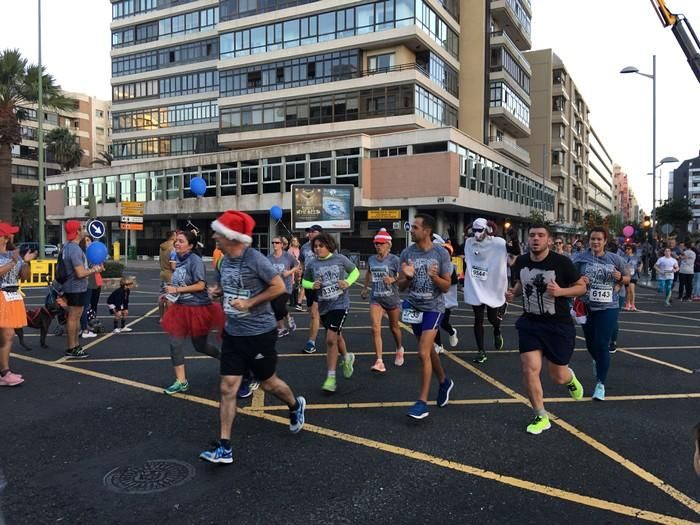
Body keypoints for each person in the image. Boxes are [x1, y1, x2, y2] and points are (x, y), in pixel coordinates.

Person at [200, 210, 305, 464]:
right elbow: (225, 285)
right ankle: (224, 446)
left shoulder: (255, 259)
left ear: (231, 237)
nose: (214, 237)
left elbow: (278, 287)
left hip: (259, 333)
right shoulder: (223, 261)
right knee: (227, 387)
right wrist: (217, 291)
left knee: (269, 384)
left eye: (218, 233)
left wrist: (250, 303)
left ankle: (294, 405)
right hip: (234, 333)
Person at [507, 223, 586, 434]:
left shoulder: (562, 262)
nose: (535, 239)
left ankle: (570, 378)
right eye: (532, 235)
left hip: (557, 325)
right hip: (530, 323)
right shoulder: (521, 261)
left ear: (548, 240)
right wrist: (512, 294)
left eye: (541, 235)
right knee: (529, 368)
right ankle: (540, 416)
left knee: (557, 376)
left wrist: (561, 292)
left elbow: (581, 287)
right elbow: (522, 284)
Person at [397, 213, 454, 420]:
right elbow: (402, 286)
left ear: (427, 230)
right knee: (429, 351)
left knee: (422, 352)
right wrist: (408, 277)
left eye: (415, 227)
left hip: (434, 307)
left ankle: (422, 402)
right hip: (414, 307)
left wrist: (434, 277)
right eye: (411, 227)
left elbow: (447, 286)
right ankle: (444, 382)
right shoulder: (406, 253)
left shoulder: (441, 253)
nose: (411, 230)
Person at [161, 230, 224, 395]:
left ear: (190, 245)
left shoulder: (194, 260)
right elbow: (179, 284)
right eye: (176, 240)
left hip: (198, 308)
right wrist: (169, 293)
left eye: (181, 241)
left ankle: (225, 358)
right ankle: (181, 381)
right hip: (180, 308)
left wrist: (176, 289)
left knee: (200, 346)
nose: (177, 243)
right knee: (174, 343)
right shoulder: (178, 260)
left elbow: (201, 285)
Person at [573, 226, 629, 401]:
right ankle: (598, 361)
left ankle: (600, 384)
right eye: (592, 239)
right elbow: (570, 278)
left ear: (605, 241)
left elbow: (628, 278)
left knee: (602, 343)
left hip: (608, 307)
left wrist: (620, 278)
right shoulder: (581, 259)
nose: (595, 242)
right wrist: (580, 281)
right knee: (591, 344)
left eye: (599, 239)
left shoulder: (615, 259)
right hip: (587, 306)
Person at [303, 232, 359, 392]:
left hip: (340, 304)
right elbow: (304, 281)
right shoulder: (312, 264)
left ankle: (331, 377)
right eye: (315, 246)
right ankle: (347, 357)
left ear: (329, 246)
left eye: (321, 246)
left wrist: (347, 282)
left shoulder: (339, 259)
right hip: (324, 306)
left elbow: (354, 271)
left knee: (330, 338)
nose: (318, 249)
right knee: (337, 336)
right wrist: (311, 285)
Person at [463, 218, 508, 364]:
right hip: (476, 286)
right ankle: (481, 351)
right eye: (474, 230)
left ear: (487, 229)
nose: (477, 234)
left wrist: (512, 237)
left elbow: (514, 251)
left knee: (492, 318)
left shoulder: (497, 242)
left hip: (492, 286)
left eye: (480, 230)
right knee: (478, 320)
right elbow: (459, 251)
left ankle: (497, 330)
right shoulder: (469, 243)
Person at [360, 228, 404, 372]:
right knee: (375, 327)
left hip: (392, 298)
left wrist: (393, 279)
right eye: (376, 243)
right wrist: (365, 287)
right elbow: (368, 272)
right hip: (376, 297)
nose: (378, 246)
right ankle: (379, 361)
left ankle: (399, 348)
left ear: (388, 245)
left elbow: (404, 275)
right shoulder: (372, 259)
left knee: (394, 328)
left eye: (381, 243)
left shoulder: (394, 260)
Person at [60, 220, 103, 359]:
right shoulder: (74, 249)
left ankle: (75, 346)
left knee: (76, 317)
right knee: (74, 317)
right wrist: (94, 269)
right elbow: (80, 273)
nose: (85, 230)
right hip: (75, 287)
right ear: (77, 231)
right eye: (83, 228)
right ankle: (72, 347)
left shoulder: (68, 247)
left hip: (72, 287)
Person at [0, 222, 36, 386]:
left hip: (13, 297)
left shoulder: (13, 255)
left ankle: (5, 372)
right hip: (2, 297)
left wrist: (26, 261)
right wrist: (15, 261)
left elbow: (25, 277)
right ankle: (5, 373)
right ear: (3, 238)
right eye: (10, 233)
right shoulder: (9, 258)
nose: (13, 236)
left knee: (8, 336)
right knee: (7, 335)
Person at [432, 235, 459, 354]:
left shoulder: (451, 268)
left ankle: (452, 332)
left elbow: (449, 284)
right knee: (435, 323)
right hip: (436, 300)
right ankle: (438, 345)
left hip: (448, 301)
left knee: (443, 323)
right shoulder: (436, 266)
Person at [298, 225, 323, 352]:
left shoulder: (326, 245)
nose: (311, 234)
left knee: (314, 313)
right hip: (308, 283)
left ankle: (311, 342)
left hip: (321, 284)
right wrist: (300, 272)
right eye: (310, 232)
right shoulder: (304, 247)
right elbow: (301, 262)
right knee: (314, 313)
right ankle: (330, 328)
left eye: (314, 231)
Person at [267, 236, 298, 337]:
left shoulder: (288, 256)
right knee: (275, 308)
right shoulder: (269, 257)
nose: (274, 244)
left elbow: (298, 265)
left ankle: (289, 317)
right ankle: (282, 328)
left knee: (279, 306)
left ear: (281, 245)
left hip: (286, 287)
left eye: (277, 243)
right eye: (273, 242)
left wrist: (289, 272)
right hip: (273, 287)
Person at [78, 237, 99, 339]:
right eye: (86, 240)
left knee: (89, 305)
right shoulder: (83, 254)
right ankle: (84, 329)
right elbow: (85, 270)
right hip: (84, 283)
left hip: (90, 282)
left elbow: (100, 268)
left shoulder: (87, 253)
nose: (88, 242)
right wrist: (94, 269)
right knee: (84, 307)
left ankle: (85, 327)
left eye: (89, 240)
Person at [159, 231, 177, 318]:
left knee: (162, 296)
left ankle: (161, 317)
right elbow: (173, 266)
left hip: (162, 273)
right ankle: (169, 318)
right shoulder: (172, 248)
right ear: (173, 236)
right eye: (176, 235)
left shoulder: (162, 247)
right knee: (170, 297)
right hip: (170, 274)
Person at [621, 244, 642, 311]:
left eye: (629, 249)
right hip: (626, 276)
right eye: (626, 249)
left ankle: (633, 305)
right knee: (627, 291)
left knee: (632, 291)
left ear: (632, 249)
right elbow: (620, 265)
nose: (627, 250)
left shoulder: (636, 257)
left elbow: (641, 263)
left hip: (634, 276)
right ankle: (627, 304)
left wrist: (640, 268)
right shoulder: (623, 257)